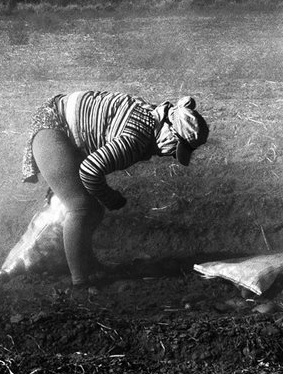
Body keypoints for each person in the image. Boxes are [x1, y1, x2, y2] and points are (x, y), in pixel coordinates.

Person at [19, 90, 208, 285]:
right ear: (169, 133)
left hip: (60, 119)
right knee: (81, 208)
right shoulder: (135, 140)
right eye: (174, 148)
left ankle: (87, 264)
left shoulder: (150, 117)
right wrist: (109, 197)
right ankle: (80, 281)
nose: (170, 155)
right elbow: (90, 170)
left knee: (92, 209)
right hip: (53, 127)